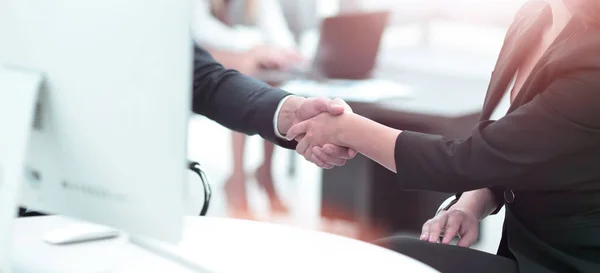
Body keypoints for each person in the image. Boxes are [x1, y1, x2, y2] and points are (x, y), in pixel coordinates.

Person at [285, 0, 600, 272]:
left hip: (566, 263)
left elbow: (464, 161)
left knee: (389, 259)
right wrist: (469, 205)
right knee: (386, 256)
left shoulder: (592, 62)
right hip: (526, 254)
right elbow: (519, 147)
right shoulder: (535, 16)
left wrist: (346, 129)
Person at [192, 0, 303, 216]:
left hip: (241, 49)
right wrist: (255, 47)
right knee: (246, 68)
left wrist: (284, 51)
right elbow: (198, 29)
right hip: (200, 55)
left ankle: (266, 172)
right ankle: (237, 178)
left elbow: (274, 26)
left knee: (273, 74)